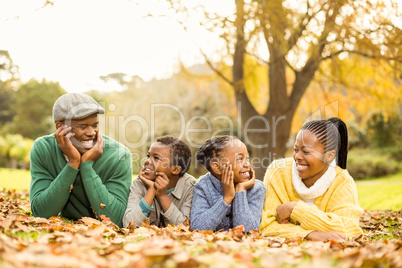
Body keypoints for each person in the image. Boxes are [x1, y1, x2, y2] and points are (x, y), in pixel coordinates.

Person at [30, 93, 132, 228]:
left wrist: (87, 165)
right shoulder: (43, 148)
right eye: (83, 127)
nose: (91, 133)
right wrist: (73, 163)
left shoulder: (119, 155)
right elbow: (41, 213)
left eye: (95, 125)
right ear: (60, 127)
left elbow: (116, 219)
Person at [259, 117, 363, 241]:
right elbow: (267, 226)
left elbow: (349, 229)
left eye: (306, 152)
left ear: (329, 156)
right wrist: (312, 234)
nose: (297, 156)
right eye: (295, 149)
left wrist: (296, 209)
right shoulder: (278, 172)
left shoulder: (342, 182)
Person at [190, 135, 266, 232]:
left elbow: (247, 231)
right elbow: (197, 227)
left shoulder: (257, 188)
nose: (247, 164)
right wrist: (226, 199)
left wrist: (240, 190)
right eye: (240, 159)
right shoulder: (203, 187)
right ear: (217, 167)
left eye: (247, 158)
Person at [123, 136, 196, 228]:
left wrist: (163, 196)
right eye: (148, 156)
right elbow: (128, 224)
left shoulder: (190, 187)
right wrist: (151, 190)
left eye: (156, 158)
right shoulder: (140, 183)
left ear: (176, 169)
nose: (147, 161)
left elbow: (185, 228)